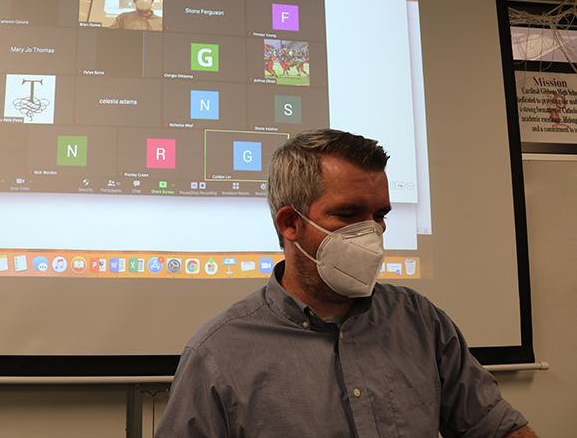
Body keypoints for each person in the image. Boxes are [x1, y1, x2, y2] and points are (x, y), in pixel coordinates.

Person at [155, 129, 537, 438]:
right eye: (349, 214)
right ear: (290, 223)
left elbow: (497, 427)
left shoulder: (420, 322)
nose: (371, 233)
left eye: (379, 216)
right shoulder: (218, 355)